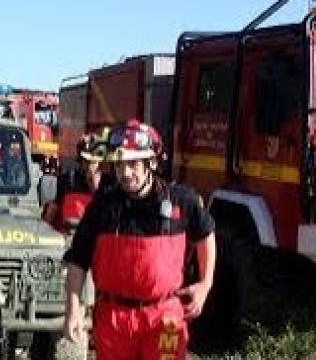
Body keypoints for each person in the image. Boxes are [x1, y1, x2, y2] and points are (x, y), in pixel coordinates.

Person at [61, 119, 216, 360]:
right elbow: (78, 260)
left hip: (164, 317)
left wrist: (205, 283)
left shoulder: (181, 201)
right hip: (113, 320)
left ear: (151, 162)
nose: (125, 173)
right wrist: (73, 309)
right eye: (120, 165)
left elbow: (206, 234)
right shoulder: (102, 207)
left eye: (133, 164)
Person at [42, 130, 111, 234]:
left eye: (94, 162)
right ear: (80, 160)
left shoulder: (109, 183)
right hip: (69, 235)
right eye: (86, 162)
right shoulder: (67, 180)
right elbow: (50, 213)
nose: (89, 166)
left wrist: (95, 186)